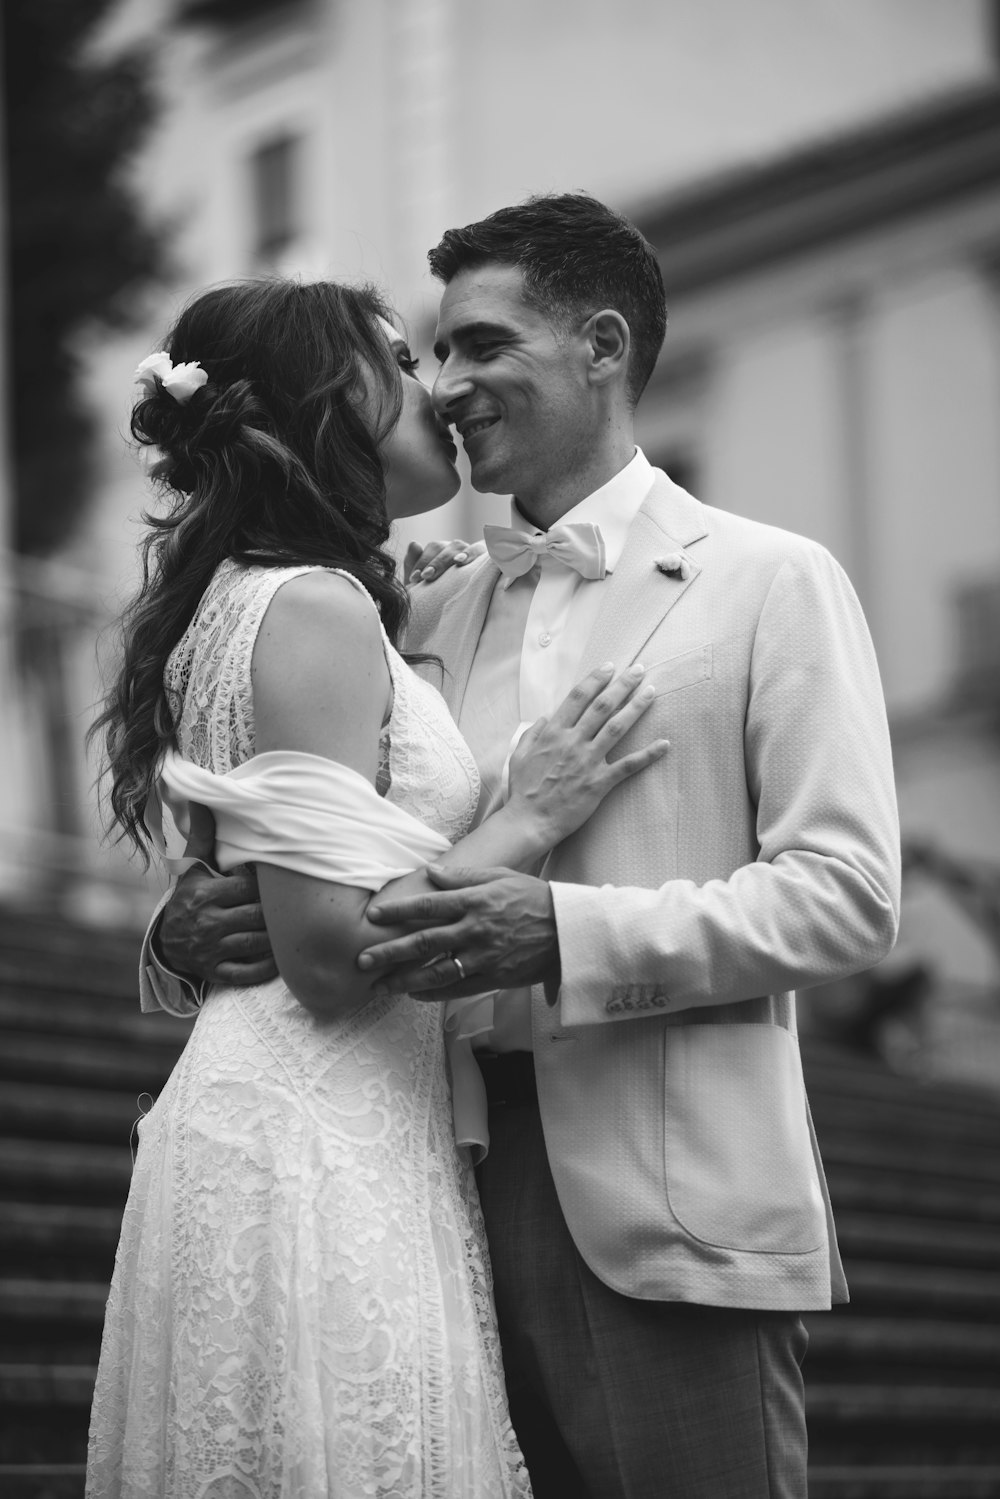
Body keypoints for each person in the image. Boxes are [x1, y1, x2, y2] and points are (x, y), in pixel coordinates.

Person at [149, 195, 901, 1499]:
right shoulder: (415, 602)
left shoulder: (768, 579)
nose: (446, 384)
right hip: (421, 1186)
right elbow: (321, 830)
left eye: (483, 345)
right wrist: (175, 928)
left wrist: (568, 932)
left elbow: (846, 896)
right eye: (432, 352)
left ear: (602, 345)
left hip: (668, 1201)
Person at [85, 275, 670, 1498]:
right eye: (399, 359)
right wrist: (529, 814)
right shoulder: (311, 608)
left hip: (334, 1119)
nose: (434, 388)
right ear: (326, 397)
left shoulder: (301, 597)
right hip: (316, 1137)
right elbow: (332, 956)